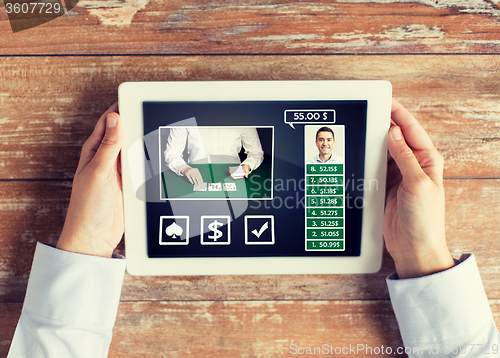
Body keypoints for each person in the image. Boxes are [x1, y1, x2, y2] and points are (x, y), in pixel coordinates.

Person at [7, 100, 500, 357]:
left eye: (326, 140)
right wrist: (423, 255)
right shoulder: (184, 140)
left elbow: (256, 156)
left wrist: (88, 245)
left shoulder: (252, 149)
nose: (323, 145)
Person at [164, 127, 264, 186]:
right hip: (193, 176)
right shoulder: (183, 116)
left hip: (234, 175)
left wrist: (247, 165)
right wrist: (184, 168)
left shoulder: (244, 116)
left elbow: (256, 151)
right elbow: (171, 152)